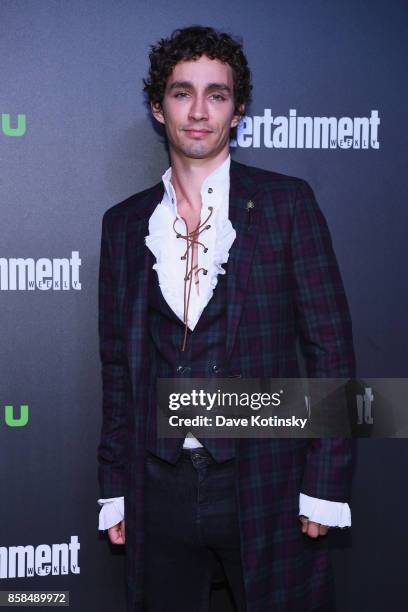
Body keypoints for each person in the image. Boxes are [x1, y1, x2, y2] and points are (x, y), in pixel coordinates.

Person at [97, 25, 355, 612]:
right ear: (158, 108)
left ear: (237, 111)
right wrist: (114, 487)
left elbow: (330, 354)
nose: (198, 110)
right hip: (157, 484)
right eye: (182, 92)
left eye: (216, 94)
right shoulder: (124, 223)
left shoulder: (287, 205)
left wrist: (325, 484)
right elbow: (118, 368)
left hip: (264, 479)